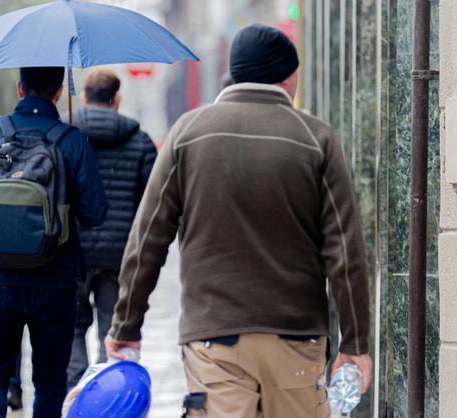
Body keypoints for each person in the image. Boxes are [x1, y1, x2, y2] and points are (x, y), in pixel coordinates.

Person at [105, 24, 372, 418]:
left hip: (214, 337)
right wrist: (355, 343)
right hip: (296, 336)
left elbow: (147, 240)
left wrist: (126, 325)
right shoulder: (317, 139)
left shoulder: (187, 133)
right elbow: (344, 252)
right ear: (288, 76)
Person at [0, 67, 107, 418]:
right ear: (60, 93)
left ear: (19, 88)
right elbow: (95, 214)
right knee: (50, 380)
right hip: (54, 279)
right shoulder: (71, 140)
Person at [66, 68, 156, 389]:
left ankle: (76, 395)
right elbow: (153, 202)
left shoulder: (65, 137)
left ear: (84, 98)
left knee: (73, 327)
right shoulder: (141, 142)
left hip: (72, 252)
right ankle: (106, 397)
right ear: (117, 99)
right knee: (112, 330)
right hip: (120, 255)